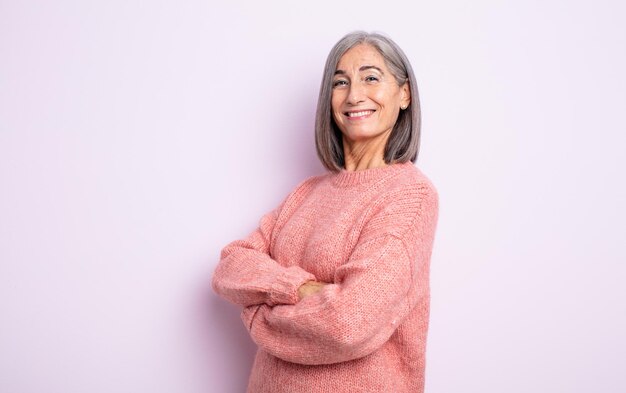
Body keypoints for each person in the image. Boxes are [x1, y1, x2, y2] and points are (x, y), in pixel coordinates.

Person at [211, 31, 439, 393]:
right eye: (340, 82)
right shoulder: (306, 193)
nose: (354, 95)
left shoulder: (410, 196)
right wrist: (296, 288)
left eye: (371, 77)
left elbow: (350, 322)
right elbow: (230, 267)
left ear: (404, 94)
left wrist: (257, 310)